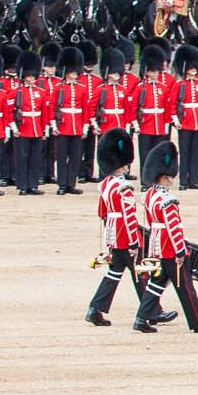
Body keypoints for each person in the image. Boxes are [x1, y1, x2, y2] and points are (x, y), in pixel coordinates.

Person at [133, 140, 198, 333]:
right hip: (169, 246)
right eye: (169, 178)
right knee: (185, 286)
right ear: (163, 177)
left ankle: (141, 318)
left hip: (156, 244)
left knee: (155, 285)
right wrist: (181, 249)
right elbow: (173, 227)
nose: (171, 181)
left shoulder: (148, 195)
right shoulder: (167, 200)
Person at [84, 127, 146, 326]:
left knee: (115, 271)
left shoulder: (105, 184)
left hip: (112, 232)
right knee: (139, 270)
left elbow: (102, 212)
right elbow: (129, 217)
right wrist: (134, 240)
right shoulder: (124, 187)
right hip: (124, 234)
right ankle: (150, 310)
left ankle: (95, 308)